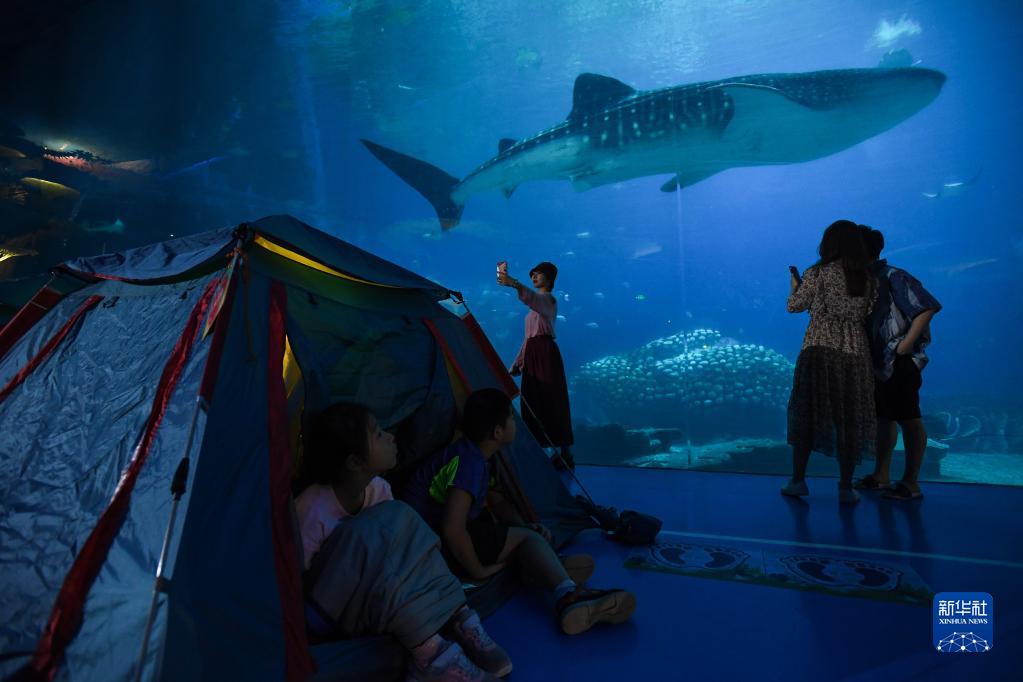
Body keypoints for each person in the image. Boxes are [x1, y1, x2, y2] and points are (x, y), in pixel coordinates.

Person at [296, 402, 512, 681]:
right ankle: (429, 655)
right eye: (378, 434)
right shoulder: (311, 510)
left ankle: (460, 617)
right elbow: (305, 587)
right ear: (354, 462)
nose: (390, 437)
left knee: (400, 523)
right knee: (380, 527)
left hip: (382, 601)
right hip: (334, 611)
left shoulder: (379, 489)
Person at [402, 388, 637, 635]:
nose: (515, 422)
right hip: (433, 548)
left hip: (437, 539)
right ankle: (567, 596)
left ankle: (541, 566)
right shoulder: (468, 464)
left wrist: (523, 526)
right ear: (497, 432)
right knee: (527, 540)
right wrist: (477, 571)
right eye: (511, 418)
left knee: (522, 534)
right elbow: (453, 530)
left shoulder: (476, 456)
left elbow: (496, 500)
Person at [782, 220, 878, 503]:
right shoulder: (868, 278)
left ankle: (798, 481)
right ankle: (846, 487)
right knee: (850, 418)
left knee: (807, 414)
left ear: (828, 244)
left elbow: (794, 306)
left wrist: (795, 287)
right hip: (855, 353)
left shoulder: (818, 273)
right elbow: (868, 312)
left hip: (819, 348)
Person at [854, 226, 942, 500]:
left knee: (909, 418)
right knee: (884, 418)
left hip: (899, 360)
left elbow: (927, 307)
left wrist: (905, 345)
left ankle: (910, 482)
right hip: (877, 362)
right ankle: (881, 475)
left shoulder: (893, 276)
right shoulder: (864, 280)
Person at [496, 260, 576, 470]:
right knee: (533, 400)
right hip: (533, 353)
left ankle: (565, 452)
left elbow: (533, 298)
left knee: (552, 398)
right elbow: (528, 339)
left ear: (549, 278)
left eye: (538, 273)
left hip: (546, 354)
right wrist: (518, 362)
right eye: (532, 274)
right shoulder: (533, 310)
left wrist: (514, 283)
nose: (533, 276)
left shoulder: (549, 300)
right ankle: (544, 449)